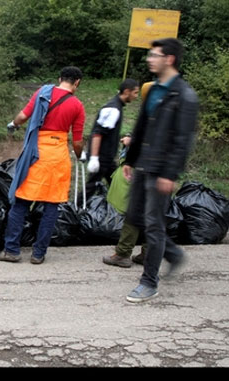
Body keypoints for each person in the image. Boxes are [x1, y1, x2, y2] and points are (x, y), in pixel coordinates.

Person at [122, 38, 199, 303]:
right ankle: (174, 253)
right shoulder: (153, 89)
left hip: (161, 169)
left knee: (154, 225)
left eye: (155, 55)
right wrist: (129, 160)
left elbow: (183, 139)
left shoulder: (184, 95)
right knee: (134, 216)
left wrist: (170, 174)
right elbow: (141, 127)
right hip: (143, 162)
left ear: (170, 59)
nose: (149, 59)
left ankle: (148, 282)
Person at [0, 66, 86, 265]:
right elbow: (77, 142)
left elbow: (23, 116)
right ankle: (38, 254)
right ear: (77, 82)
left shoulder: (42, 93)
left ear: (59, 77)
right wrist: (80, 156)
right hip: (58, 157)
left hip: (36, 155)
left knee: (21, 203)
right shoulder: (77, 106)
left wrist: (13, 124)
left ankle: (11, 250)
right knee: (51, 207)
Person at [103, 81, 154, 268]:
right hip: (159, 171)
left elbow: (145, 141)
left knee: (134, 212)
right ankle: (148, 254)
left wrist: (129, 142)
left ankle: (123, 253)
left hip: (144, 169)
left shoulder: (151, 112)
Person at [85, 79, 139, 202]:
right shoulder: (113, 109)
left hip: (107, 159)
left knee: (115, 182)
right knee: (90, 188)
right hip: (101, 159)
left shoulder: (117, 107)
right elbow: (98, 134)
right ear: (127, 91)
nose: (136, 96)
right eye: (135, 93)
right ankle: (74, 210)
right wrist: (94, 158)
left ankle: (115, 208)